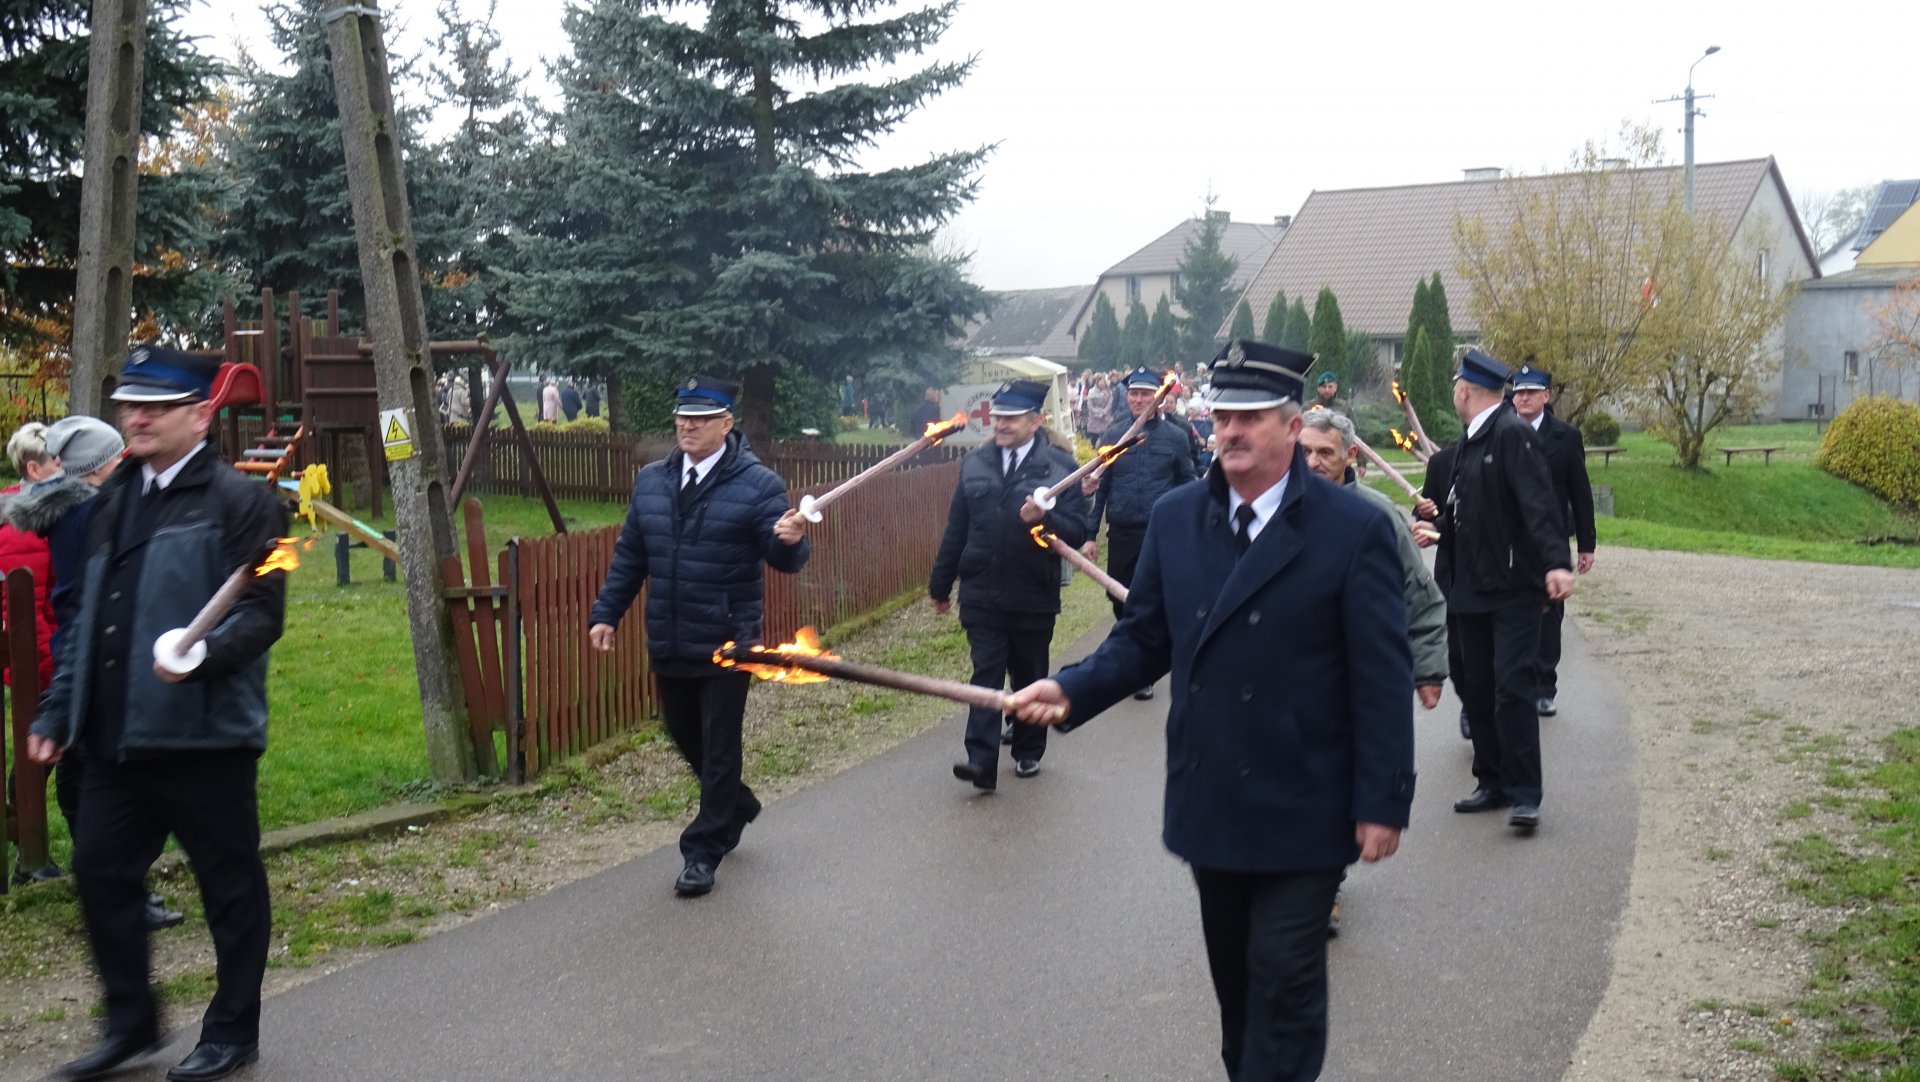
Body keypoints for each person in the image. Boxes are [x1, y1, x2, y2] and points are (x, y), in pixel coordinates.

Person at [1009, 340, 1413, 1082]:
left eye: (1251, 417)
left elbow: (1381, 676)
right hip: (1214, 798)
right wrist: (1070, 689)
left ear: (1292, 427)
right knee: (1238, 992)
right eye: (1223, 416)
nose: (1231, 430)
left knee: (1285, 980)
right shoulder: (1176, 519)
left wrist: (1383, 799)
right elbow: (1143, 639)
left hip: (1307, 800)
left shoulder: (1351, 530)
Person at [27, 344, 288, 1082]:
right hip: (116, 741)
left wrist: (201, 656)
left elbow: (263, 612)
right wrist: (56, 712)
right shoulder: (110, 501)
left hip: (205, 738)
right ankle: (131, 1025)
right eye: (130, 407)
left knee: (228, 887)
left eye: (156, 407)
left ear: (200, 416)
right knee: (100, 873)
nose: (136, 418)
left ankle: (232, 1031)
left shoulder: (245, 503)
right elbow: (84, 618)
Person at [589, 375, 810, 898]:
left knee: (718, 745)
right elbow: (631, 555)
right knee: (684, 732)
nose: (687, 426)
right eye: (683, 417)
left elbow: (782, 557)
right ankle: (737, 803)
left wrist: (791, 540)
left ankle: (703, 851)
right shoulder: (652, 481)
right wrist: (607, 613)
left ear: (726, 424)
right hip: (670, 636)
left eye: (701, 418)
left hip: (728, 641)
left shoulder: (758, 485)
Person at [5, 418, 188, 932]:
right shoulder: (85, 515)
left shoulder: (74, 509)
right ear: (99, 466)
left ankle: (108, 887)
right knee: (116, 781)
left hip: (79, 661)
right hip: (87, 663)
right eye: (116, 459)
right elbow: (77, 600)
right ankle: (113, 890)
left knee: (85, 776)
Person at [1419, 349, 1573, 835]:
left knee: (1512, 688)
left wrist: (1556, 562)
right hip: (1470, 586)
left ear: (1465, 390)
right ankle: (1492, 780)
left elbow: (1539, 504)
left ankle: (1525, 794)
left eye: (1455, 387)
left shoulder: (1512, 434)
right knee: (1477, 688)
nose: (1454, 393)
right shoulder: (1470, 439)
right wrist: (1438, 529)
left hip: (1511, 588)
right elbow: (1467, 509)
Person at [928, 380, 1086, 789]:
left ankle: (1028, 749)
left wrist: (1045, 519)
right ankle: (980, 760)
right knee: (985, 675)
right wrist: (940, 585)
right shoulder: (975, 463)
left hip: (1033, 591)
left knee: (1030, 674)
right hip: (982, 588)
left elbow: (1077, 530)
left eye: (1010, 419)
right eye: (997, 417)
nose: (999, 425)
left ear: (1035, 421)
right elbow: (957, 527)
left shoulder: (1060, 468)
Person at [1299, 408, 1449, 707]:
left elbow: (1417, 590)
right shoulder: (1274, 510)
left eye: (1325, 453)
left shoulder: (1378, 515)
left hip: (1363, 673)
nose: (1313, 462)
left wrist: (1429, 670)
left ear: (1350, 454)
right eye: (1304, 452)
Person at [1081, 367, 1196, 698]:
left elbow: (1188, 482)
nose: (1139, 399)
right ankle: (1132, 648)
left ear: (1158, 398)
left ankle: (1143, 669)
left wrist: (1190, 527)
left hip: (1159, 533)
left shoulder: (1176, 436)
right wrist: (1090, 535)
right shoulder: (1113, 436)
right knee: (1118, 596)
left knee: (1151, 597)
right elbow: (1101, 487)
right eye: (1134, 393)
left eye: (1146, 394)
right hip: (1122, 530)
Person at [1508, 364, 1595, 718]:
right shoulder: (1503, 431)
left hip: (1551, 541)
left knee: (1549, 614)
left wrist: (1586, 544)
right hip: (1510, 540)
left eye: (1531, 392)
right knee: (1511, 611)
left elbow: (1580, 492)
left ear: (1546, 396)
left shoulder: (1566, 437)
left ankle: (1544, 687)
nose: (1523, 398)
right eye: (1518, 392)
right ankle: (1516, 681)